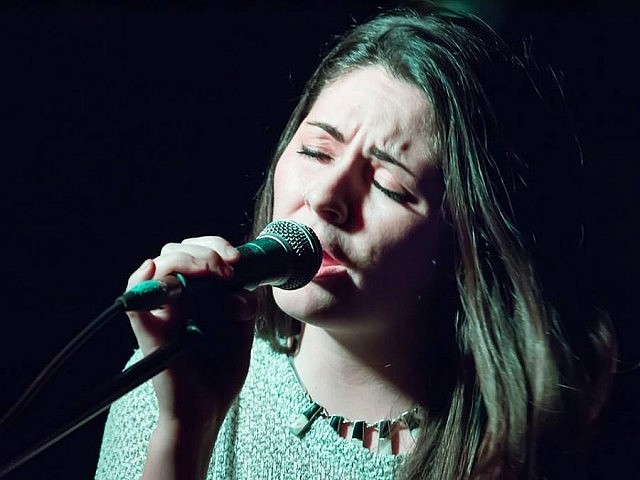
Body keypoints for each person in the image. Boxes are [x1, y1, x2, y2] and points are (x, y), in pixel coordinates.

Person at [95, 2, 617, 479]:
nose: (325, 196)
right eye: (317, 152)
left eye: (389, 185)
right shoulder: (169, 382)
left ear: (470, 241)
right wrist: (186, 430)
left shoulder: (542, 441)